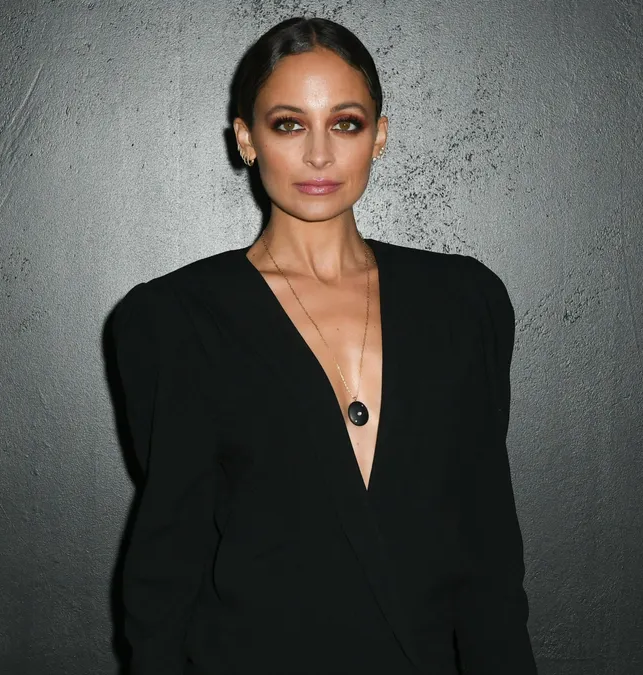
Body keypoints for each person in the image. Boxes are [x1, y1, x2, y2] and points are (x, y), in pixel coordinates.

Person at [111, 16, 536, 675]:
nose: (318, 154)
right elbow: (166, 570)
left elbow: (489, 558)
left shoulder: (464, 302)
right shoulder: (174, 318)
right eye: (288, 124)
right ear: (247, 140)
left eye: (345, 123)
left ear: (379, 136)